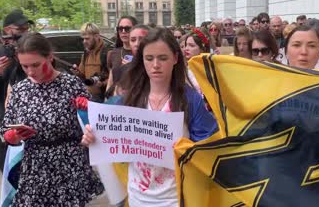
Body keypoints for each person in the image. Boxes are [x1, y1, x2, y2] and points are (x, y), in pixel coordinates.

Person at [81, 28, 218, 207]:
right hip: (138, 196)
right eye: (149, 58)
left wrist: (186, 149)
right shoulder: (127, 100)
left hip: (177, 199)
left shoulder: (190, 100)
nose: (155, 65)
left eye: (163, 58)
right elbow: (116, 147)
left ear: (175, 58)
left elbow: (208, 148)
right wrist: (94, 137)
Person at [0, 33, 104, 206]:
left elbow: (96, 123)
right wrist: (13, 136)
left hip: (69, 164)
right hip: (34, 166)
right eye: (25, 66)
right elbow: (5, 128)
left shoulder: (71, 84)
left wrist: (87, 112)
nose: (31, 71)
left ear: (50, 57)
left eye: (36, 65)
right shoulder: (20, 90)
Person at [0, 9, 32, 169]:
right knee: (9, 165)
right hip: (5, 118)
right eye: (20, 30)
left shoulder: (32, 50)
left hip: (31, 114)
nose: (24, 34)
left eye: (26, 30)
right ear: (7, 31)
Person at [71, 23, 109, 102]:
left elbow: (115, 79)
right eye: (83, 39)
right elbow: (82, 75)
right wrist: (77, 72)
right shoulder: (86, 53)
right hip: (88, 97)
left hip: (103, 99)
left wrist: (102, 84)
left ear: (96, 36)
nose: (84, 41)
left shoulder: (107, 53)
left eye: (87, 38)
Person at [106, 16, 136, 92]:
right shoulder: (114, 53)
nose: (123, 31)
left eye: (127, 28)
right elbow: (111, 81)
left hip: (133, 99)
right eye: (120, 28)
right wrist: (106, 100)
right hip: (115, 99)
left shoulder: (142, 53)